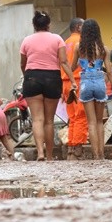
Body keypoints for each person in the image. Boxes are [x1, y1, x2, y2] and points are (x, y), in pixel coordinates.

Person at [20, 11, 77, 161]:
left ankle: (40, 153)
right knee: (49, 121)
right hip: (52, 78)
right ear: (49, 24)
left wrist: (27, 75)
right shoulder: (57, 39)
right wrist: (72, 81)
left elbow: (23, 63)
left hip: (32, 77)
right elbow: (64, 62)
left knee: (37, 119)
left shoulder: (26, 40)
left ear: (34, 25)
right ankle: (50, 156)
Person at [70, 19, 112, 160]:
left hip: (85, 84)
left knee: (90, 122)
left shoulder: (79, 48)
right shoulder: (104, 49)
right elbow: (109, 72)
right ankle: (102, 154)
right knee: (99, 122)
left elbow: (72, 68)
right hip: (99, 84)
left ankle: (95, 155)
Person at [61, 17, 88, 160]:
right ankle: (78, 148)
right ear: (78, 27)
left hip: (65, 83)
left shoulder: (64, 43)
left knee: (72, 117)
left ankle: (71, 148)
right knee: (81, 116)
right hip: (77, 81)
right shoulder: (81, 42)